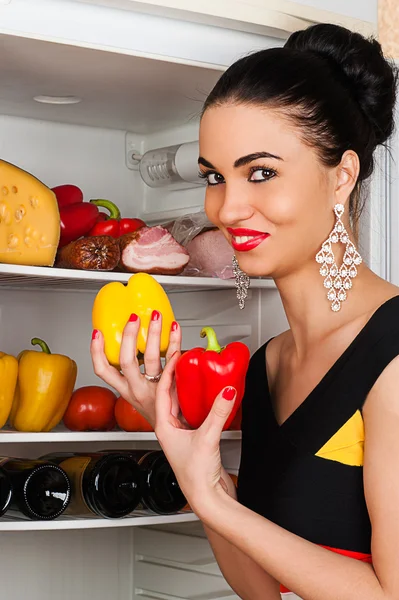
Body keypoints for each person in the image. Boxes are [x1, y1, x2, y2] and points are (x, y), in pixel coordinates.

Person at [91, 23, 399, 600]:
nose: (228, 208)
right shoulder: (261, 369)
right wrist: (179, 439)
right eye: (215, 176)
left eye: (261, 172)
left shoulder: (393, 356)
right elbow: (262, 590)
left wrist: (210, 495)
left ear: (343, 175)